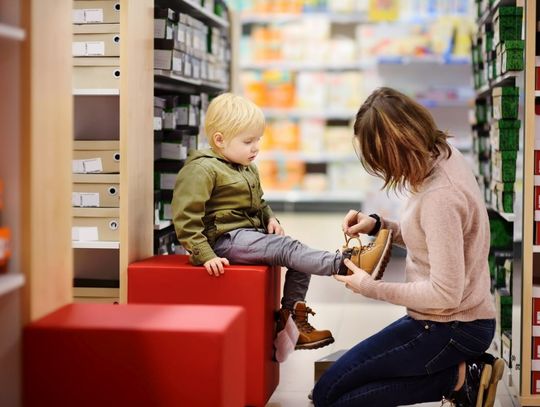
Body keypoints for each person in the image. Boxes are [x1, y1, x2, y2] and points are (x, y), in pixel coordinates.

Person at [313, 87, 504, 407]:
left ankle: (461, 378)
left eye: (381, 160)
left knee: (331, 398)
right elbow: (433, 238)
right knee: (327, 391)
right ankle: (456, 375)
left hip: (453, 327)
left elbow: (445, 294)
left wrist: (370, 287)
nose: (384, 170)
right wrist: (379, 226)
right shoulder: (442, 153)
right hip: (444, 319)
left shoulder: (440, 197)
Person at [171, 92, 393, 351]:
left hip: (247, 235)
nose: (256, 147)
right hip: (223, 241)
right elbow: (185, 218)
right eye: (248, 141)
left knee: (298, 257)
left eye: (258, 140)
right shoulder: (202, 169)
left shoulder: (246, 167)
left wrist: (270, 218)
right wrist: (206, 254)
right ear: (220, 140)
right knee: (289, 250)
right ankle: (345, 263)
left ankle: (292, 322)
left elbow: (259, 202)